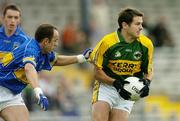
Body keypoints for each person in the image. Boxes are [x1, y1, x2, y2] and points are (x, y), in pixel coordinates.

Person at [0, 24, 92, 121]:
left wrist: (82, 58)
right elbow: (29, 68)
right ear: (46, 42)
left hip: (12, 94)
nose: (57, 44)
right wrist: (38, 91)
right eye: (55, 40)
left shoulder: (43, 52)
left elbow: (57, 60)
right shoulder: (31, 50)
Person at [89, 8, 154, 121]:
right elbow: (96, 73)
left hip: (128, 91)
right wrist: (115, 83)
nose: (141, 27)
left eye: (141, 24)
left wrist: (147, 82)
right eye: (137, 24)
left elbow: (149, 70)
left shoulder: (146, 44)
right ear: (124, 25)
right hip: (106, 88)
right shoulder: (107, 42)